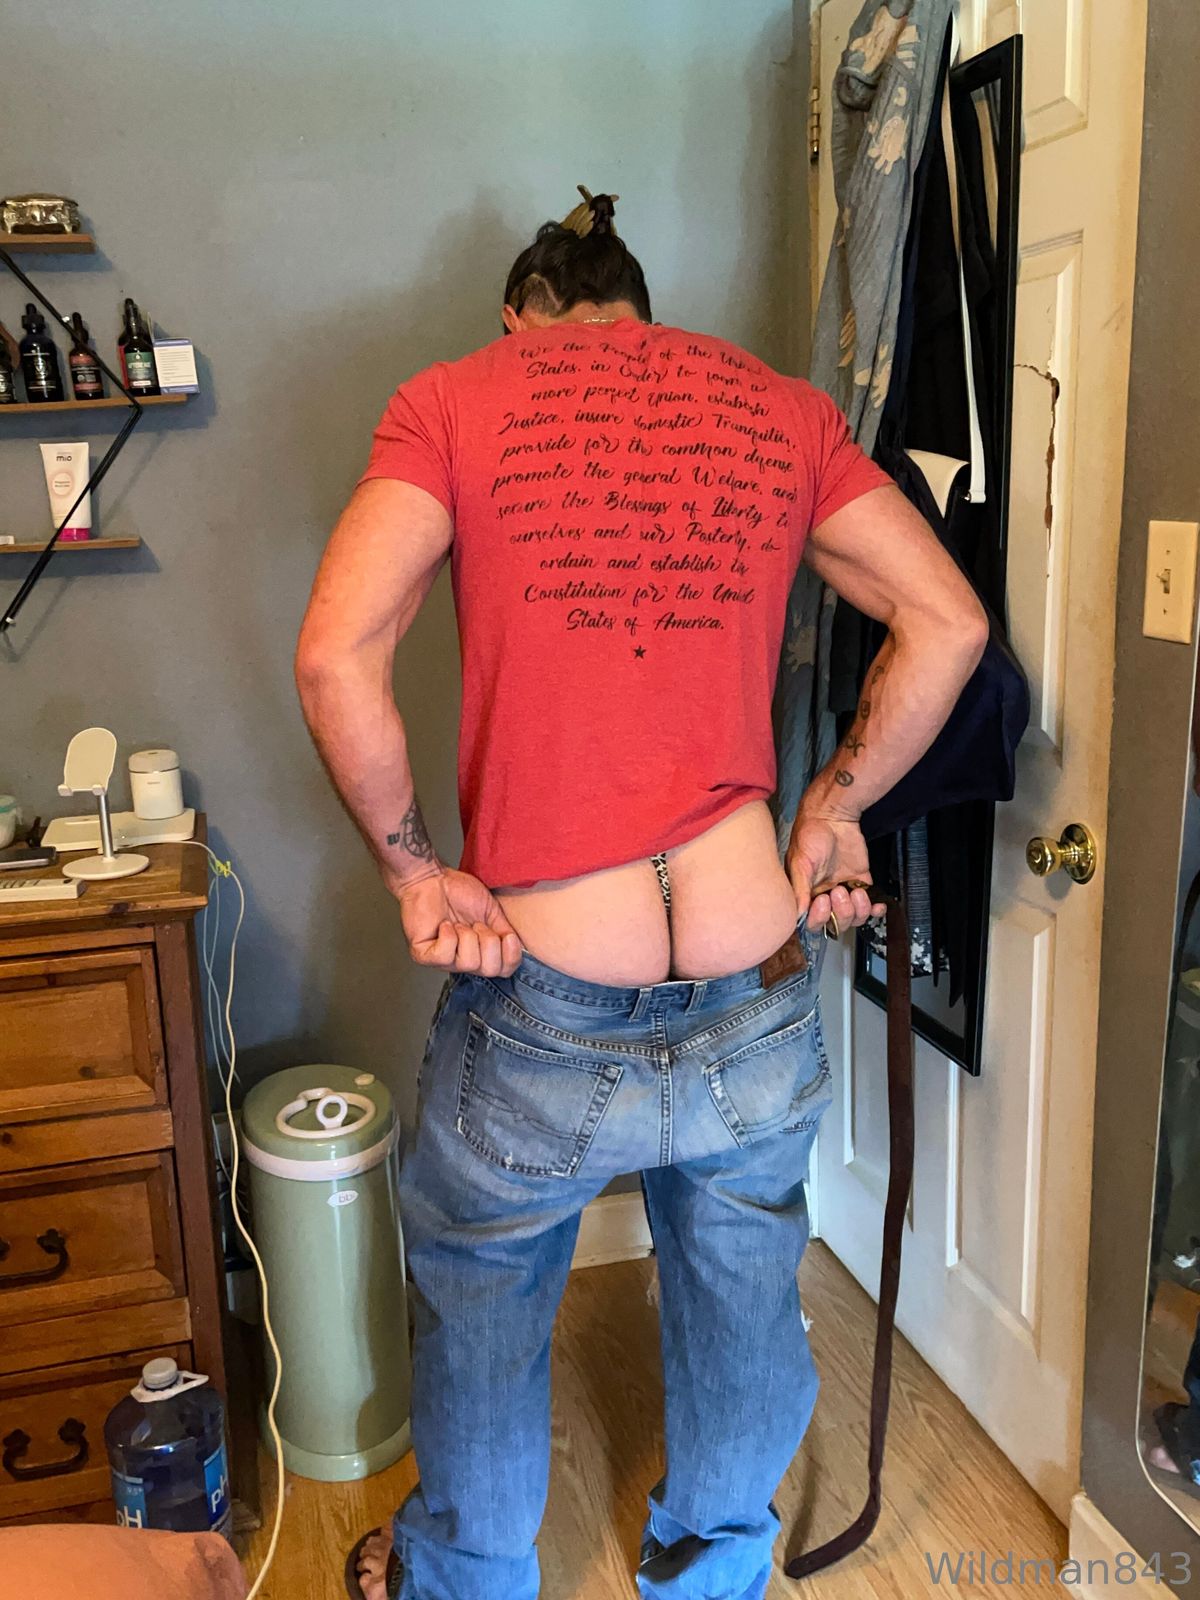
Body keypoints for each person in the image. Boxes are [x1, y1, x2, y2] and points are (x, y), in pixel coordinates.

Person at [295, 187, 987, 1600]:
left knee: (487, 1291)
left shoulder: (455, 398)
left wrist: (415, 869)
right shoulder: (776, 408)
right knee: (743, 1279)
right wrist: (833, 804)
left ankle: (467, 1579)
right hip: (754, 974)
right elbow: (948, 620)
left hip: (547, 984)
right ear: (645, 320)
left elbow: (335, 654)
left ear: (521, 317)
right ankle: (712, 1570)